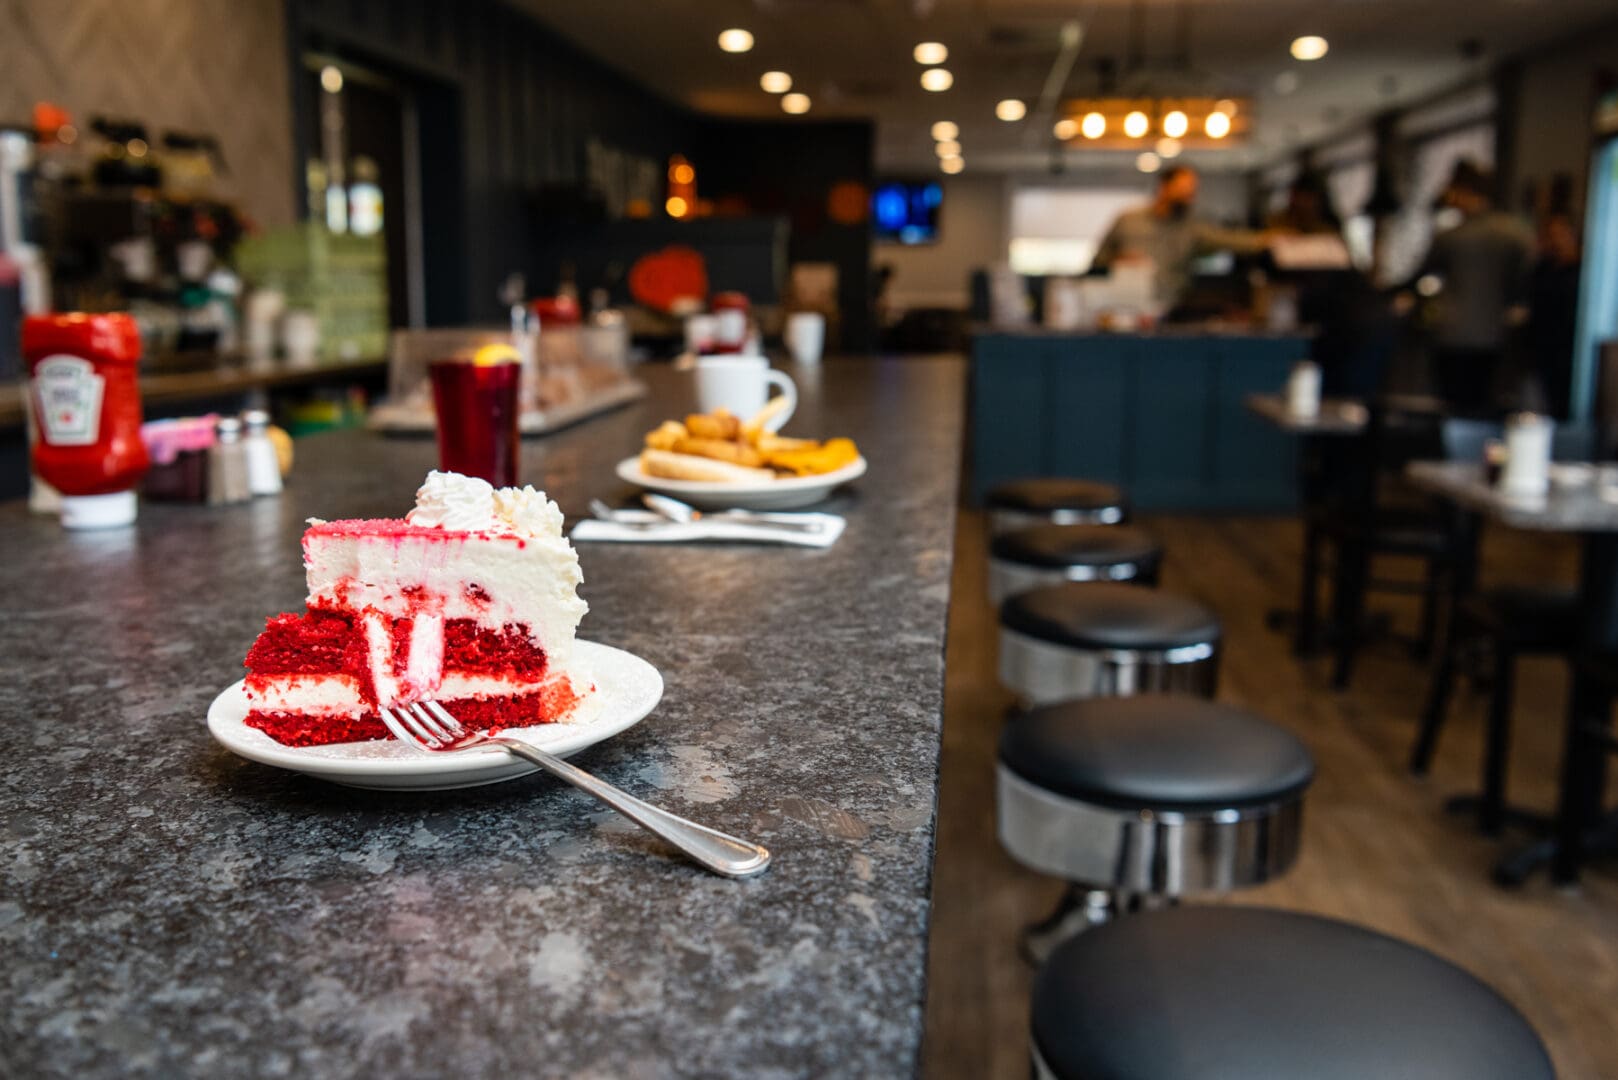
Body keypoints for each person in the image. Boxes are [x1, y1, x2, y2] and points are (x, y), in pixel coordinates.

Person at [1419, 160, 1534, 416]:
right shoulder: (1515, 233)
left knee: (1452, 406)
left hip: (1454, 331)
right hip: (1495, 333)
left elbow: (1422, 273)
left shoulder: (1452, 236)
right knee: (1484, 407)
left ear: (1463, 191)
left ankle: (1455, 450)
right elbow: (1524, 283)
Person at [1092, 164, 1269, 310]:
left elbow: (1231, 240)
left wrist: (1269, 240)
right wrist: (1118, 261)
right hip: (1126, 308)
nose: (1188, 198)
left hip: (1174, 309)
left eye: (1191, 193)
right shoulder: (1128, 220)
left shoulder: (1193, 227)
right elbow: (1097, 263)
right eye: (1183, 191)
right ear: (1164, 187)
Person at [1525, 210, 1582, 418]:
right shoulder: (1543, 267)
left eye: (1559, 234)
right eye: (1549, 235)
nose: (1554, 240)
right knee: (1545, 401)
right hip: (1544, 344)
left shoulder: (1583, 270)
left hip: (1572, 347)